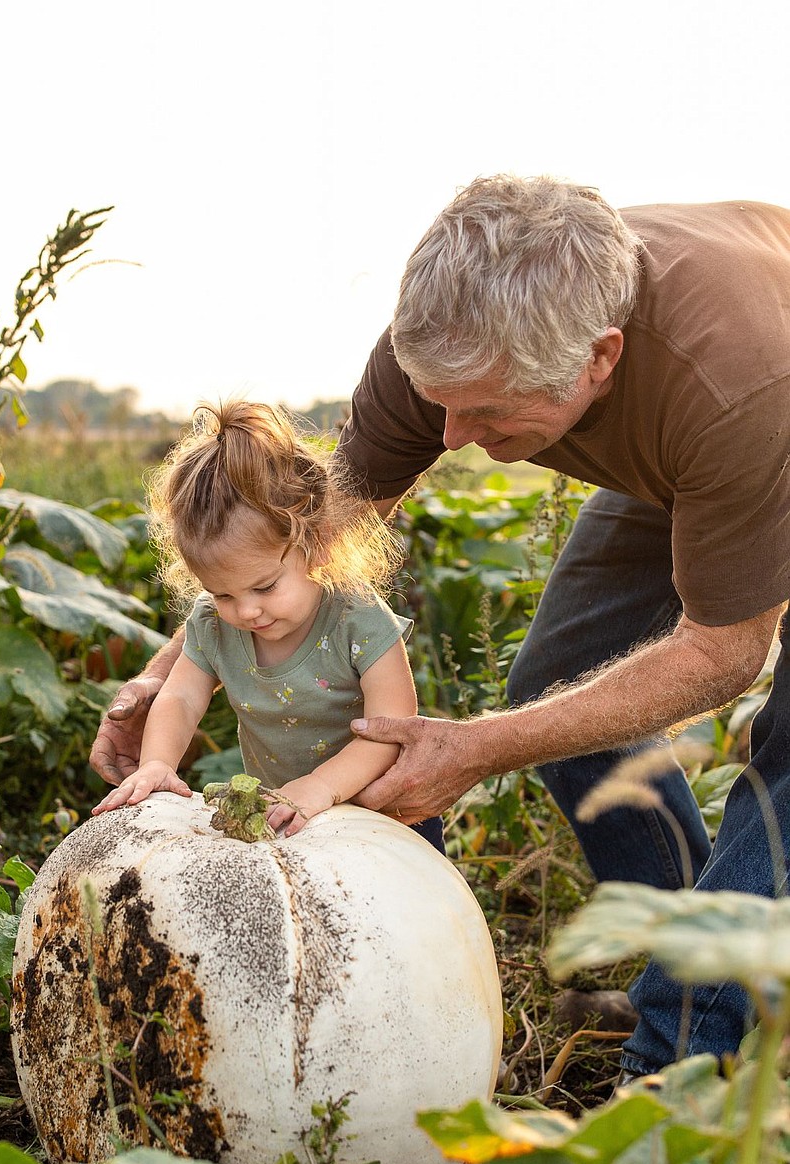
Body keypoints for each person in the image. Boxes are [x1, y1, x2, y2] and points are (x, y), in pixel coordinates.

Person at [91, 175, 790, 1078]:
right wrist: (160, 677)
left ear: (599, 359)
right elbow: (305, 541)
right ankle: (690, 955)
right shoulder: (446, 344)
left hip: (762, 418)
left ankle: (678, 1068)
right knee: (557, 681)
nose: (450, 433)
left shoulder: (735, 385)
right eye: (438, 399)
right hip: (699, 459)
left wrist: (478, 747)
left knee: (786, 767)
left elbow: (723, 654)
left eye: (489, 411)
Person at [91, 401, 444, 847]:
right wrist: (157, 764)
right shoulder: (213, 625)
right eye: (223, 594)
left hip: (386, 816)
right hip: (284, 816)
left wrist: (319, 787)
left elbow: (392, 730)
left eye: (266, 587)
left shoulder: (357, 619)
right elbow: (179, 697)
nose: (246, 612)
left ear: (317, 545)